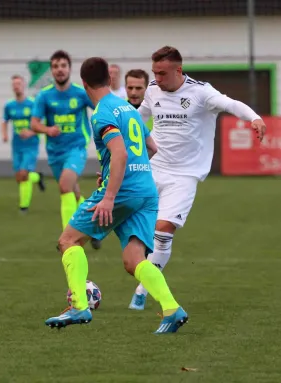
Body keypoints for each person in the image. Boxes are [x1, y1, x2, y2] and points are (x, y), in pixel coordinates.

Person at [44, 56, 188, 334]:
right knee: (134, 261)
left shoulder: (102, 113)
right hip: (145, 191)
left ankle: (79, 305)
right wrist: (114, 171)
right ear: (109, 81)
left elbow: (120, 152)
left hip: (123, 192)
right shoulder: (128, 109)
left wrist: (109, 195)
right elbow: (152, 147)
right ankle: (171, 308)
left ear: (83, 84)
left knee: (68, 240)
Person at [128, 46, 267, 310]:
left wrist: (255, 117)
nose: (156, 78)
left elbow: (231, 104)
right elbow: (136, 120)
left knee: (163, 229)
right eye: (154, 72)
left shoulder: (201, 92)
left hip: (184, 175)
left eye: (162, 73)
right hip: (153, 168)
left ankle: (144, 288)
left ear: (178, 70)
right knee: (129, 223)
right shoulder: (153, 90)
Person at [31, 49, 101, 250]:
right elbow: (34, 123)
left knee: (64, 186)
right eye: (55, 66)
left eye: (63, 66)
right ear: (51, 71)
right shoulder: (44, 96)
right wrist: (47, 129)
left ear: (69, 69)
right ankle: (93, 226)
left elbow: (99, 107)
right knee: (74, 192)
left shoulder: (80, 93)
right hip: (55, 153)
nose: (59, 70)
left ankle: (68, 239)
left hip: (76, 148)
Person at [1, 74, 45, 213]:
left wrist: (31, 132)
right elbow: (4, 121)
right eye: (14, 84)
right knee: (19, 177)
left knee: (24, 174)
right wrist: (5, 134)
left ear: (24, 85)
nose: (16, 86)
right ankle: (37, 177)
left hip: (31, 144)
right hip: (17, 145)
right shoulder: (9, 105)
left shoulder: (33, 103)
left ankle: (23, 207)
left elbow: (42, 123)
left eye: (19, 83)